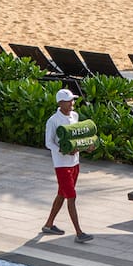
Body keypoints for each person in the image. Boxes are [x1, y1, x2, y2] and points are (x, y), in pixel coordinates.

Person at [42, 88, 94, 242]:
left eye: (73, 100)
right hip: (61, 165)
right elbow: (48, 143)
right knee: (71, 196)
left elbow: (77, 138)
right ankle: (79, 233)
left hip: (75, 162)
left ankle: (48, 224)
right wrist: (63, 151)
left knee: (62, 194)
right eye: (69, 100)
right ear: (60, 103)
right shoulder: (53, 120)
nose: (73, 103)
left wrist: (86, 146)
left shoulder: (75, 116)